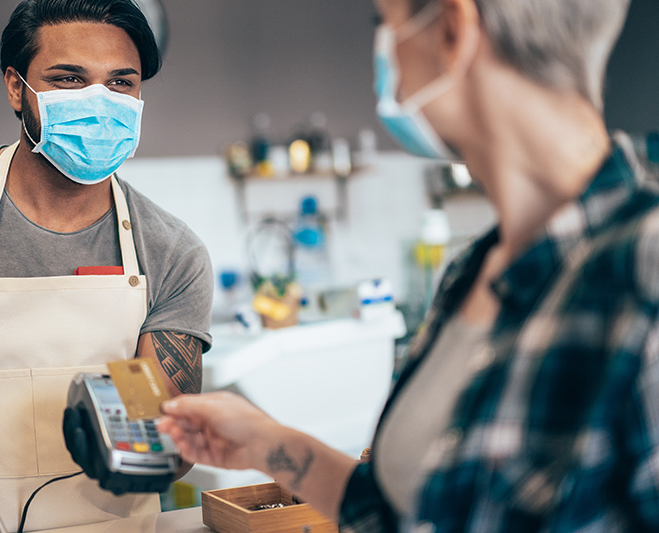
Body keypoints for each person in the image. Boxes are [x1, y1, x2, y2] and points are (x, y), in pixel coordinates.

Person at [158, 0, 659, 530]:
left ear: (452, 29)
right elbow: (402, 511)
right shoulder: (470, 272)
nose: (384, 58)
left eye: (385, 26)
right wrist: (266, 443)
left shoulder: (643, 267)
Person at [0, 0, 212, 530]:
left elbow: (168, 446)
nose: (99, 101)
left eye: (120, 83)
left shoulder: (171, 251)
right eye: (69, 79)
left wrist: (156, 433)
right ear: (16, 87)